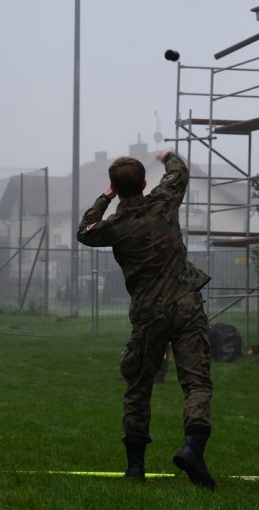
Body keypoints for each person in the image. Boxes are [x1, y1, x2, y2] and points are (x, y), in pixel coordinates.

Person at [76, 147, 216, 490]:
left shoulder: (113, 226)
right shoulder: (163, 201)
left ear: (116, 187)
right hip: (185, 303)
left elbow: (84, 229)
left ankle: (136, 467)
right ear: (142, 182)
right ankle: (192, 449)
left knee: (139, 387)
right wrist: (167, 154)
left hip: (149, 314)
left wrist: (105, 197)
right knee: (196, 383)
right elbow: (179, 172)